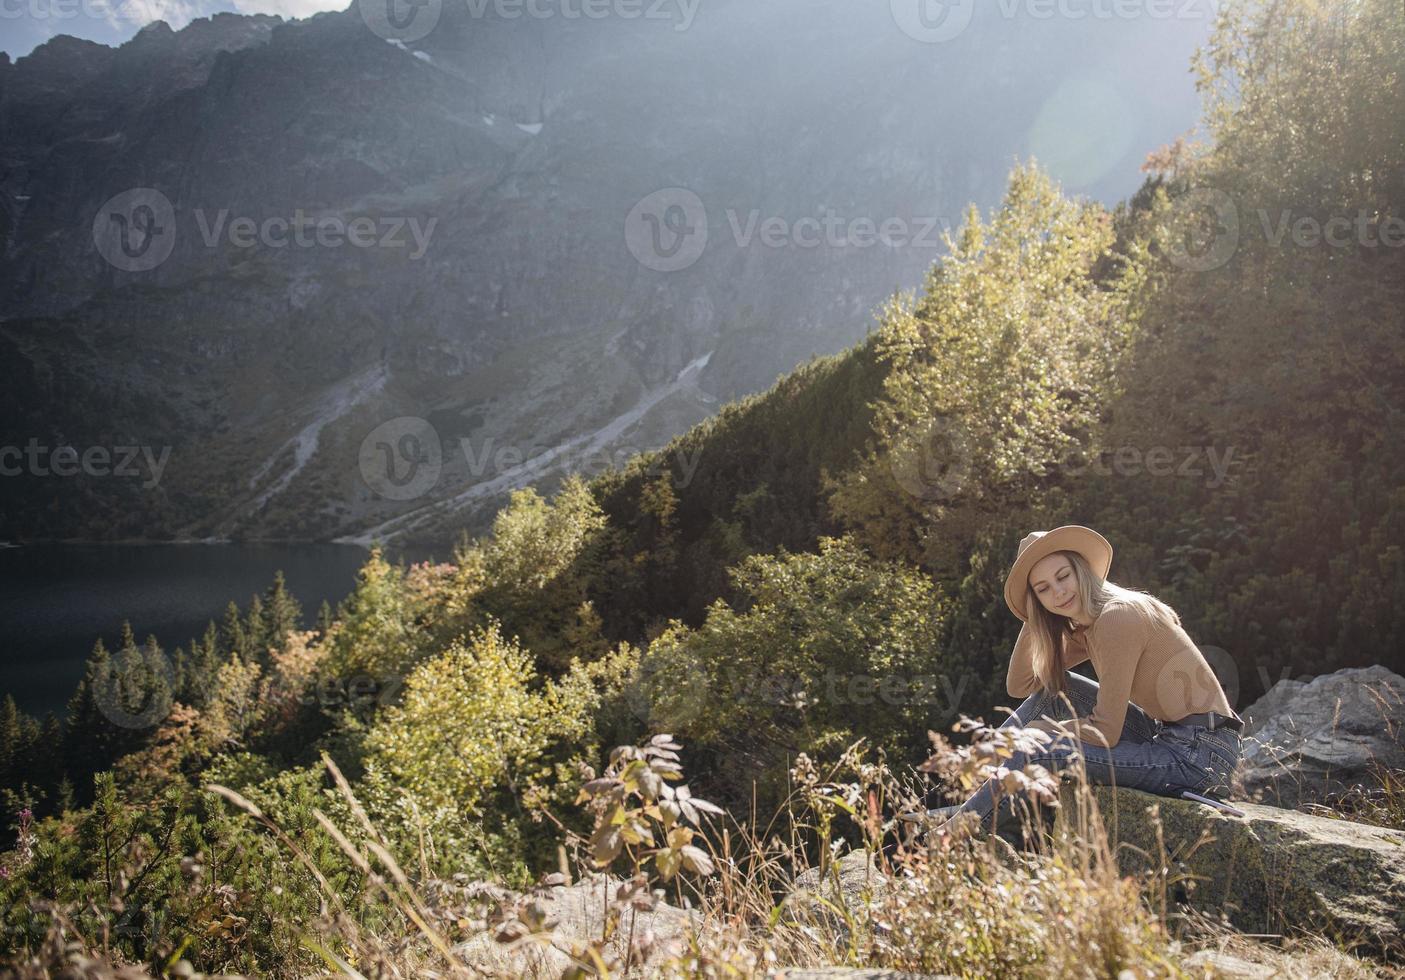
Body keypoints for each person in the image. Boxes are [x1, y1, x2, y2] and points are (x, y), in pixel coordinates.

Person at [921, 525, 1244, 842]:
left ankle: (944, 840)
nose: (1058, 592)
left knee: (1037, 751)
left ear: (1082, 570)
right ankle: (970, 787)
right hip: (1168, 735)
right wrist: (1034, 616)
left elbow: (1106, 731)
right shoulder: (1088, 626)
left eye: (1063, 576)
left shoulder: (1117, 618)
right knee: (1056, 690)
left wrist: (1042, 731)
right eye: (1043, 589)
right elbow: (1021, 685)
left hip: (1199, 757)